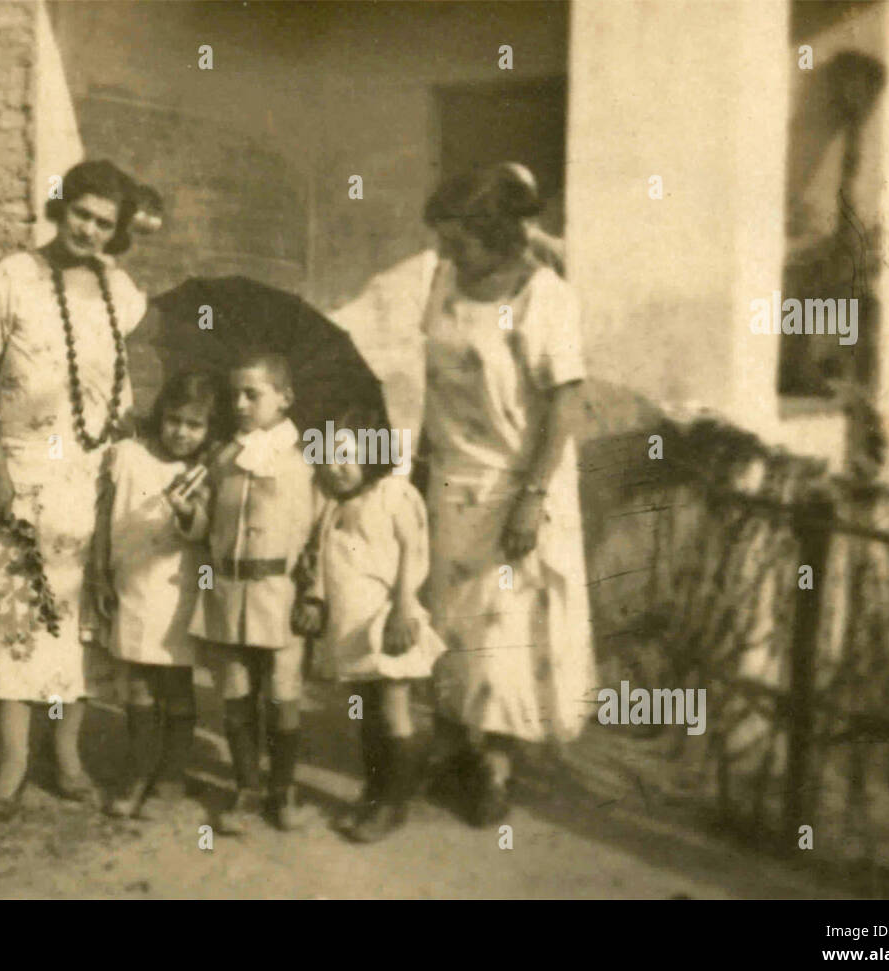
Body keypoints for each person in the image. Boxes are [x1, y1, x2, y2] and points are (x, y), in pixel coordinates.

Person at [0, 160, 161, 826]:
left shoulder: (119, 290)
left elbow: (123, 390)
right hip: (21, 476)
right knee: (15, 618)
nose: (91, 229)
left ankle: (68, 755)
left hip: (93, 481)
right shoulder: (13, 276)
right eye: (82, 213)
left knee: (83, 626)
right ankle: (13, 764)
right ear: (62, 207)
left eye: (106, 223)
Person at [418, 162, 596, 826]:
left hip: (515, 485)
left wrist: (532, 496)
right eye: (442, 240)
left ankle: (494, 766)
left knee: (502, 632)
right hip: (449, 479)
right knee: (449, 622)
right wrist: (418, 461)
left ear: (493, 233)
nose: (446, 253)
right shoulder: (442, 282)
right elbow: (432, 381)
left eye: (457, 240)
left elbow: (565, 401)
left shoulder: (542, 296)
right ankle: (454, 747)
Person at [172, 353, 315, 832]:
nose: (239, 403)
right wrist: (187, 512)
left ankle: (283, 789)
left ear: (285, 398)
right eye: (234, 394)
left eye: (252, 394)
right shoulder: (222, 458)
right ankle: (246, 786)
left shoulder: (302, 462)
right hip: (229, 590)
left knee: (281, 691)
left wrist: (314, 593)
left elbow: (318, 536)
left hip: (281, 592)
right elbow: (203, 528)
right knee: (234, 689)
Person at [292, 403, 445, 842]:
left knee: (394, 710)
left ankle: (394, 804)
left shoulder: (394, 495)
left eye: (348, 455)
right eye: (329, 456)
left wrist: (403, 609)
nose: (337, 467)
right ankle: (375, 792)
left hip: (387, 624)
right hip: (351, 629)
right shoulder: (334, 507)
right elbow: (322, 560)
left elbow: (413, 557)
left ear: (373, 452)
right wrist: (315, 598)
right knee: (366, 715)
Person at [90, 371, 225, 822]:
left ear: (209, 429)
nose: (182, 432)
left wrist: (190, 513)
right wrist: (99, 574)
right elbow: (106, 514)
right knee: (138, 687)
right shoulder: (126, 455)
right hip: (130, 585)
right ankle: (138, 772)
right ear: (159, 415)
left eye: (195, 424)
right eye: (173, 420)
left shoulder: (201, 472)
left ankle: (170, 775)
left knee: (176, 686)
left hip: (176, 591)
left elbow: (206, 532)